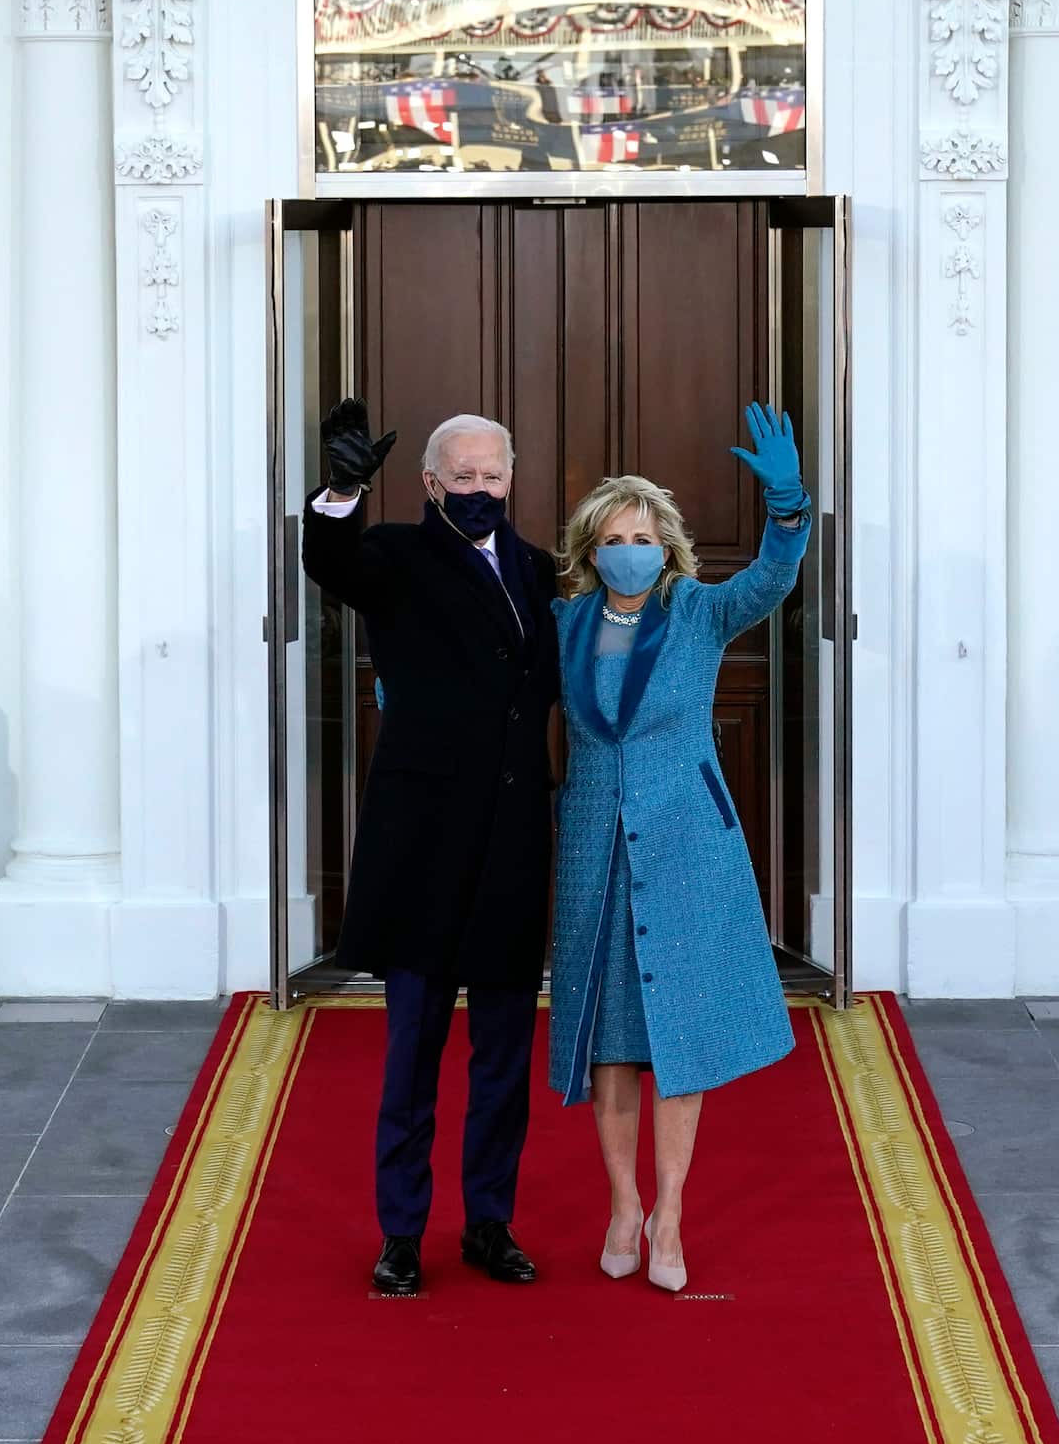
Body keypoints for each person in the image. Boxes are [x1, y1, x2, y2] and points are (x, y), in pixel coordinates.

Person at [548, 404, 811, 1292]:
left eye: (646, 535)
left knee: (681, 1040)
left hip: (690, 846)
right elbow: (491, 674)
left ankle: (673, 1215)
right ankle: (623, 1204)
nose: (632, 548)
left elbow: (772, 582)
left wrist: (786, 508)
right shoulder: (567, 623)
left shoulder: (698, 610)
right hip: (595, 848)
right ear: (593, 548)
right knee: (614, 1042)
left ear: (667, 548)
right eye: (616, 535)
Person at [302, 400, 559, 1295]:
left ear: (511, 478)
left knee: (503, 1060)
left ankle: (489, 1222)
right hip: (423, 856)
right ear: (430, 483)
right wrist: (339, 491)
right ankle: (402, 1235)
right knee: (411, 1057)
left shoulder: (539, 571)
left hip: (513, 856)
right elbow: (328, 561)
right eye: (463, 477)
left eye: (493, 475)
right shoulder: (396, 558)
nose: (480, 489)